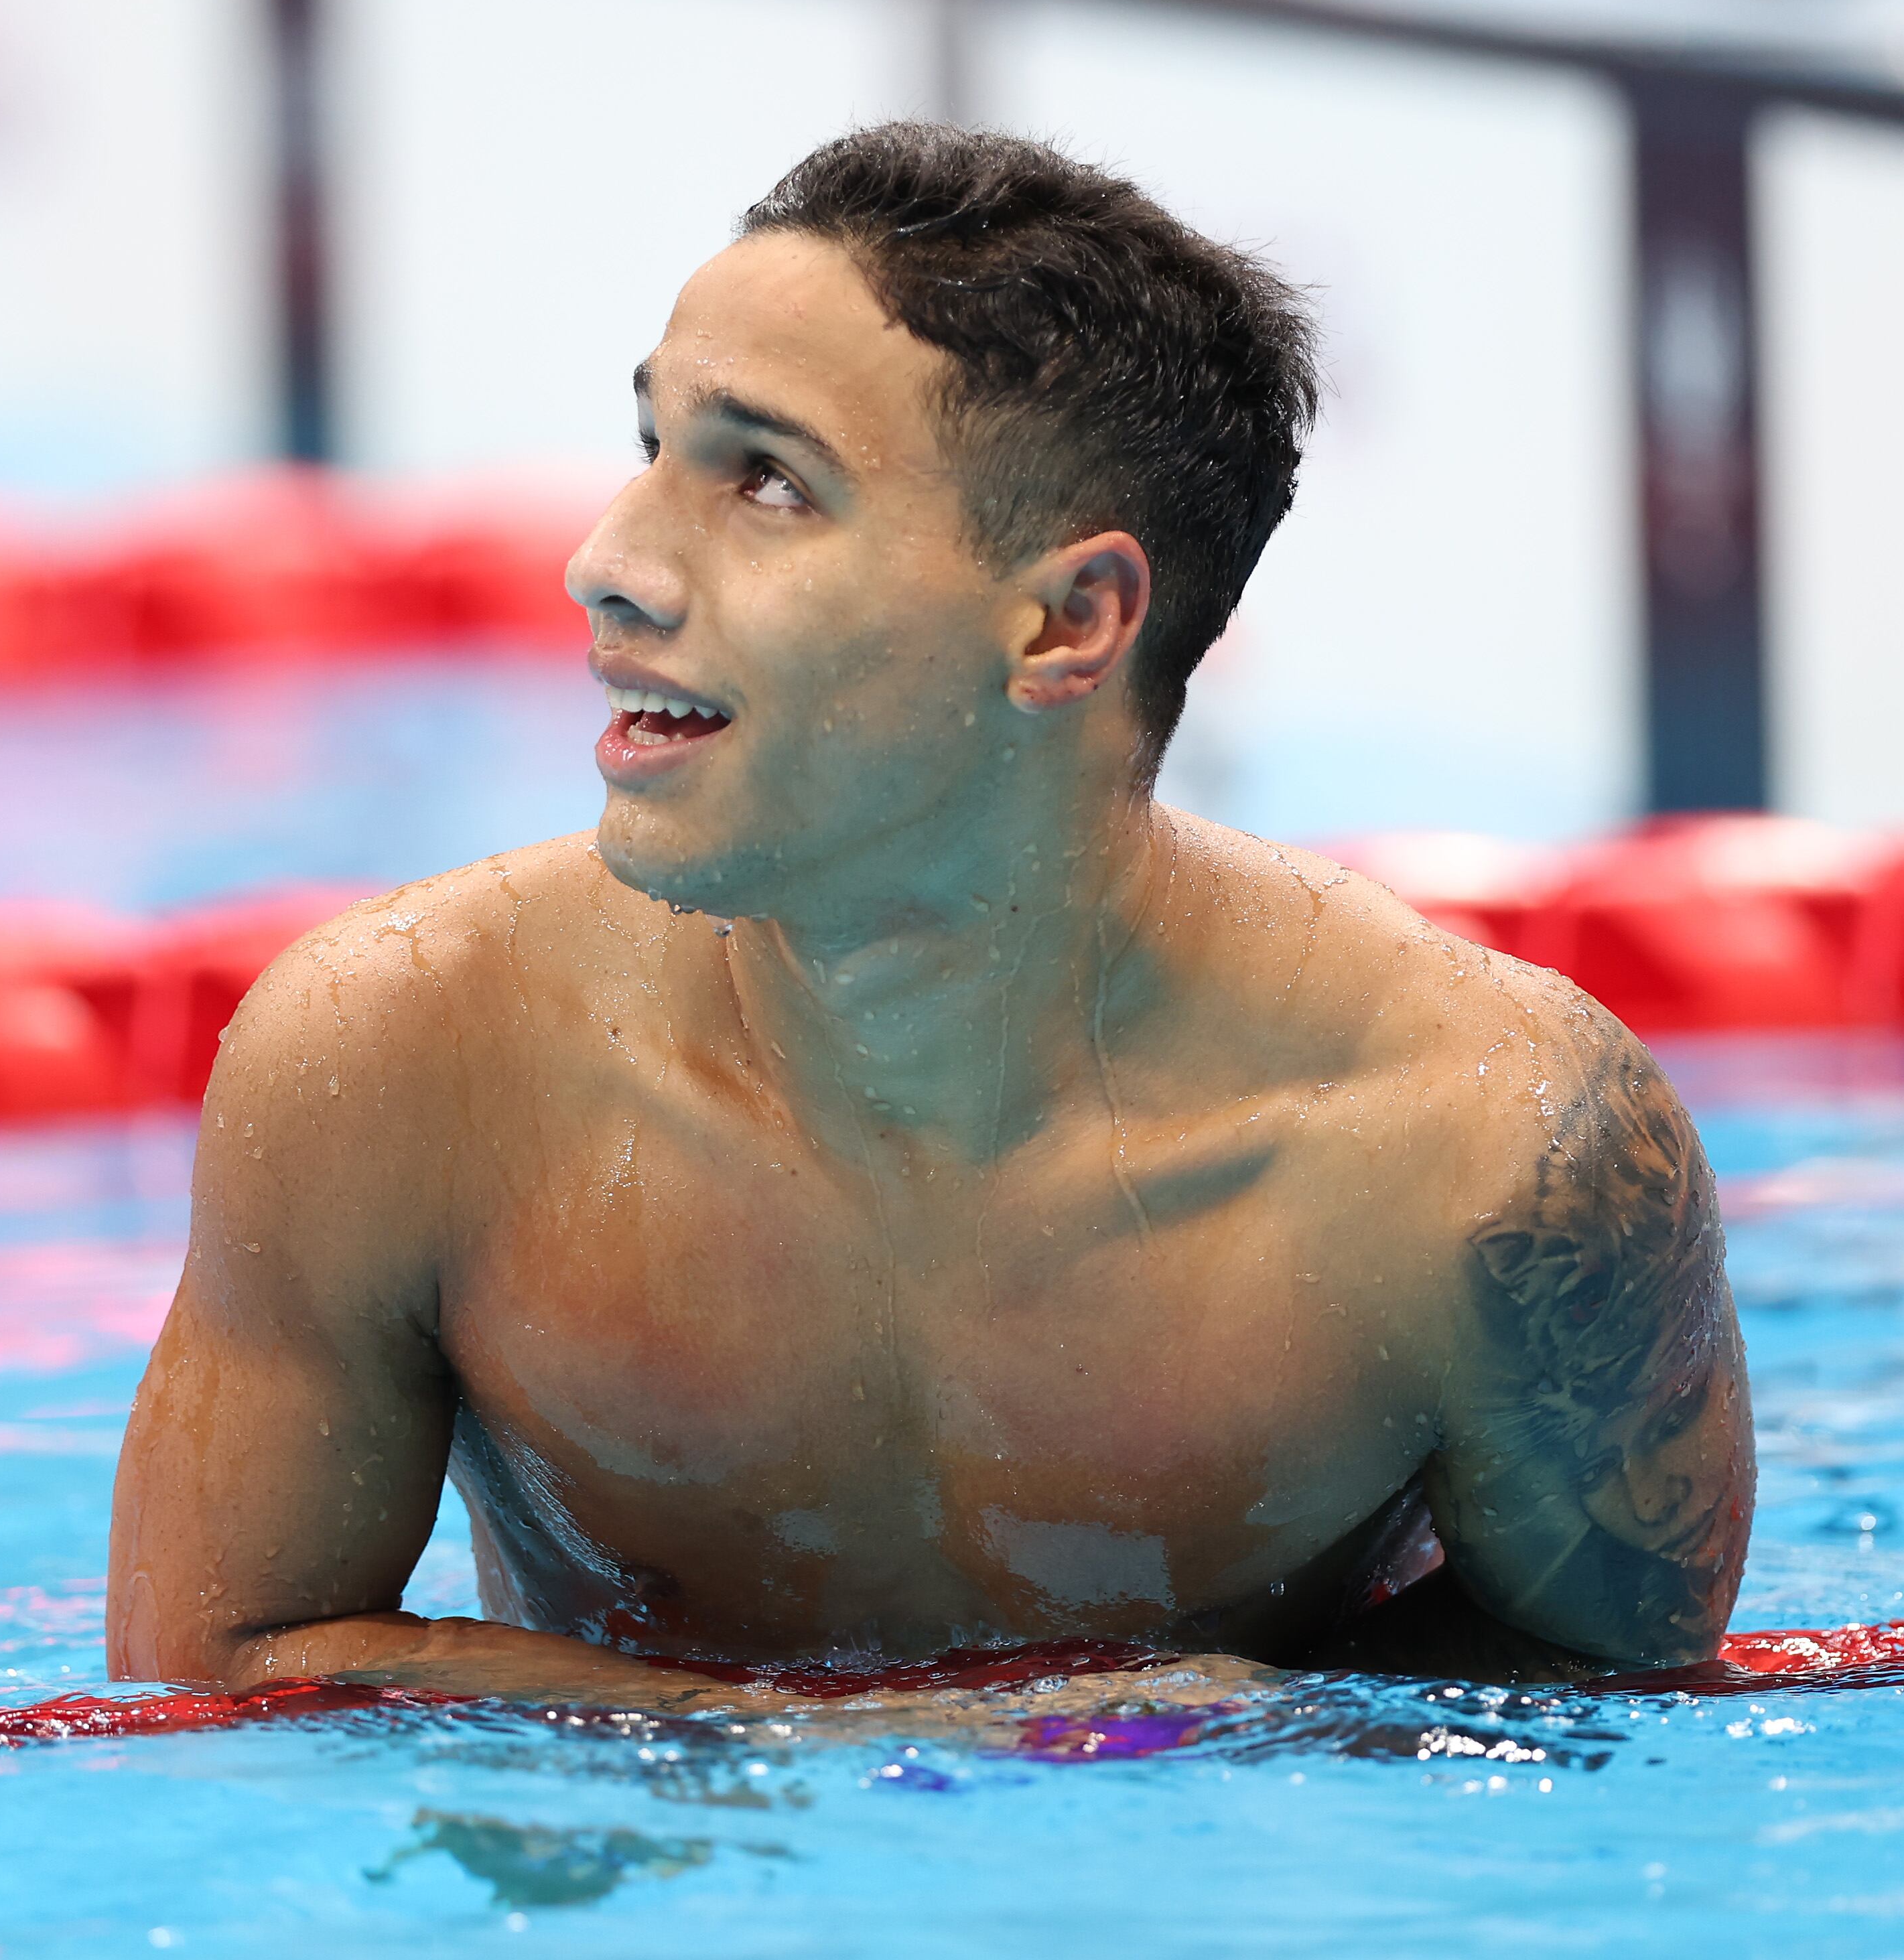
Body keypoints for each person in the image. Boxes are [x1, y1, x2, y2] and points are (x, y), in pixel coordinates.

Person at [106, 123, 1752, 1705]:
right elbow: (213, 1685)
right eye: (652, 450)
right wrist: (857, 1746)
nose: (606, 563)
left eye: (763, 486)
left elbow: (1618, 1701)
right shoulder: (409, 1062)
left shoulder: (1487, 1159)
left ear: (1065, 621)